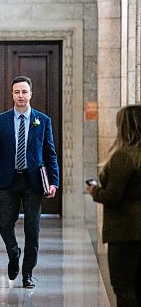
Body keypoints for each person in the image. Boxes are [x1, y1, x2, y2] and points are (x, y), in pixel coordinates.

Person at [0, 75, 59, 289]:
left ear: (30, 94)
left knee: (32, 228)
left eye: (24, 92)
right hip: (8, 180)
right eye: (17, 92)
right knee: (4, 223)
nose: (20, 96)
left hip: (32, 181)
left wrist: (53, 181)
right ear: (12, 94)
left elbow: (50, 153)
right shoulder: (2, 120)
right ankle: (14, 252)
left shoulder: (42, 120)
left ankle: (27, 273)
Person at [86, 104, 141, 307]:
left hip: (125, 230)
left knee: (123, 286)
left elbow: (112, 195)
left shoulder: (124, 156)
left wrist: (94, 190)